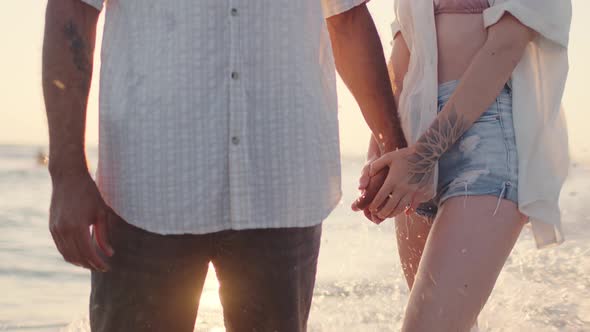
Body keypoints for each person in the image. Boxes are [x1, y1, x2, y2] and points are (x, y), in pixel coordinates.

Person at [42, 0, 408, 331]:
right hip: (147, 187)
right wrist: (66, 172)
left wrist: (393, 148)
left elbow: (347, 18)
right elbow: (72, 8)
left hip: (281, 183)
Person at [353, 0, 572, 331]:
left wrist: (423, 155)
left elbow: (506, 45)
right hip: (412, 134)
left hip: (486, 137)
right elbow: (403, 54)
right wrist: (381, 152)